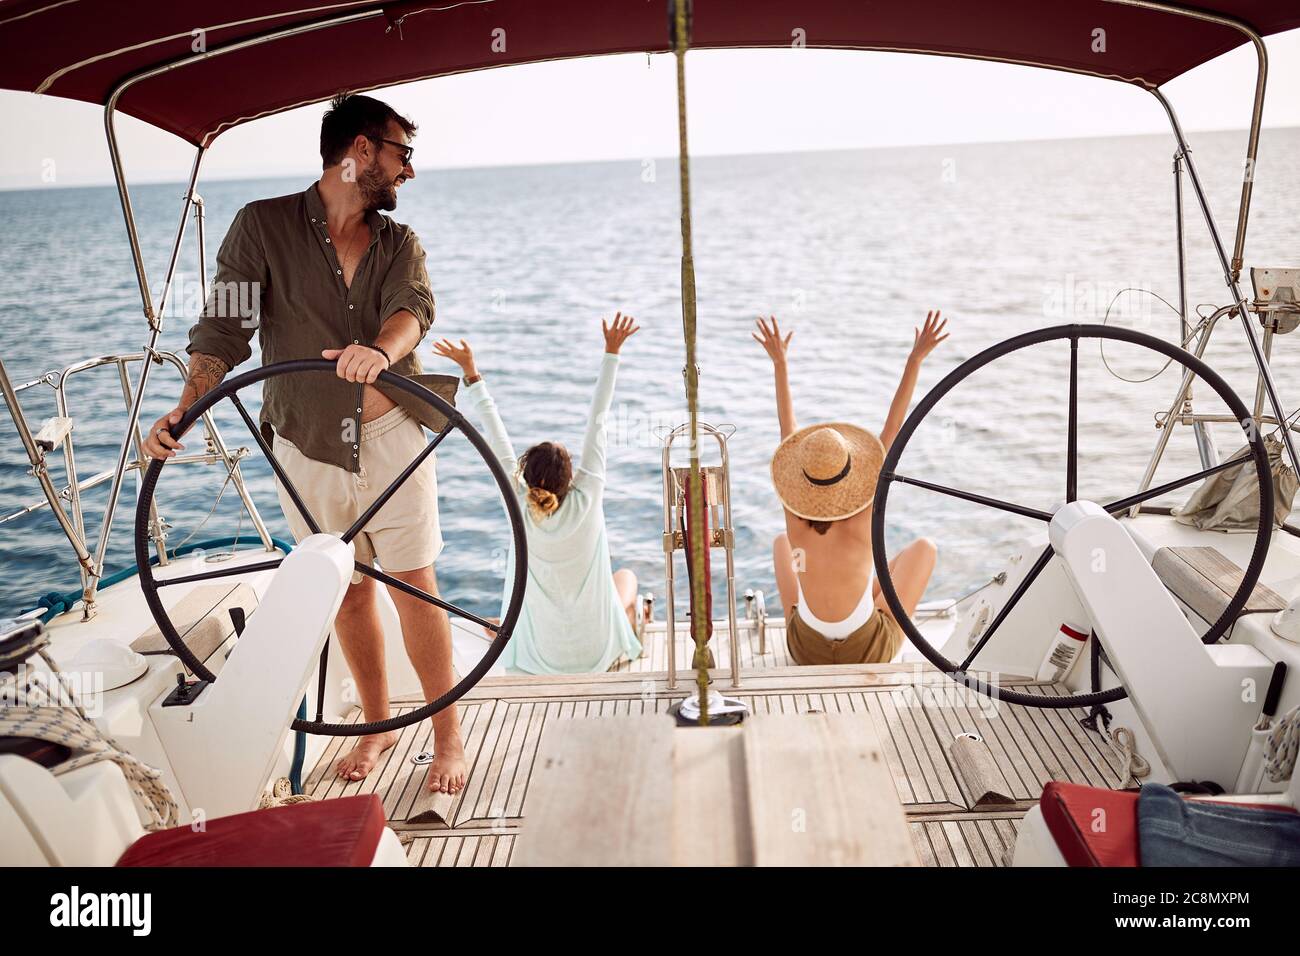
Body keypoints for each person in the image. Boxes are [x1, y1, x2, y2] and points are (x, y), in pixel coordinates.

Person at [143, 93, 469, 795]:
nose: (409, 171)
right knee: (346, 591)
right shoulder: (260, 229)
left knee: (415, 586)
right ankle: (379, 726)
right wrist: (185, 408)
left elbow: (413, 311)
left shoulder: (399, 243)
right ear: (360, 150)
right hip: (306, 446)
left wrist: (378, 351)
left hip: (393, 439)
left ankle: (448, 738)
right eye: (402, 152)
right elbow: (223, 331)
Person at [432, 315, 643, 673]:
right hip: (597, 655)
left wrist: (472, 372)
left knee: (554, 594)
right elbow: (599, 419)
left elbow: (494, 434)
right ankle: (631, 620)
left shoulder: (517, 502)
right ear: (571, 477)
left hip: (538, 659)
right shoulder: (588, 494)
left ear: (525, 478)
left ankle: (506, 627)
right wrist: (611, 352)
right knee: (627, 579)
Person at [755, 311, 948, 665]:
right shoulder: (863, 513)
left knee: (784, 545)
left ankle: (836, 616)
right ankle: (860, 610)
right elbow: (893, 427)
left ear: (802, 479)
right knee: (924, 549)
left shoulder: (794, 520)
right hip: (866, 651)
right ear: (849, 475)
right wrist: (915, 358)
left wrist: (779, 364)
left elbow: (787, 430)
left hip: (805, 651)